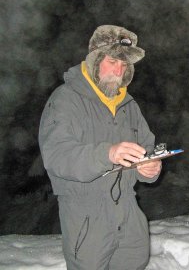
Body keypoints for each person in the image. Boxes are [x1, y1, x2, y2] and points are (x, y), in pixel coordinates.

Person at [39, 25, 162, 270]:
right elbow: (57, 156)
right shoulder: (65, 100)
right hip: (86, 219)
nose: (119, 71)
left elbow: (147, 148)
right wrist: (107, 153)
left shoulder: (129, 105)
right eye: (113, 61)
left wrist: (149, 168)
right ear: (95, 60)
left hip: (129, 216)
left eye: (125, 65)